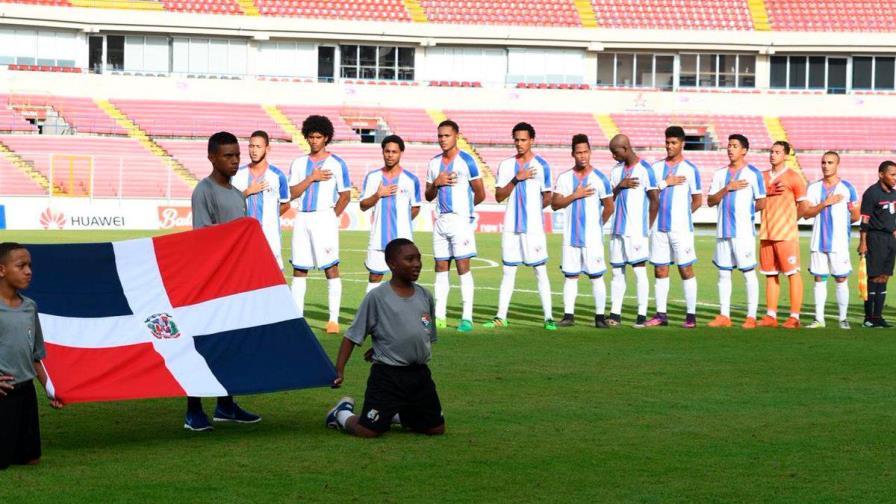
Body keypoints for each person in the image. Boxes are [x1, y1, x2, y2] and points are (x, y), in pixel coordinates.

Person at [325, 238, 444, 438]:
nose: (416, 264)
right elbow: (352, 336)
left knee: (436, 429)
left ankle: (395, 413)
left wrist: (387, 344)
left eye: (418, 259)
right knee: (368, 431)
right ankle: (341, 414)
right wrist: (339, 370)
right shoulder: (377, 297)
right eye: (409, 259)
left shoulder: (425, 296)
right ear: (392, 264)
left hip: (419, 375)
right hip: (388, 376)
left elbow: (420, 332)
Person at [187, 131, 261, 431]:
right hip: (209, 282)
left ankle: (226, 404)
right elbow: (204, 238)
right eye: (228, 156)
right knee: (203, 346)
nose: (234, 161)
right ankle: (193, 410)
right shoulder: (203, 191)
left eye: (237, 156)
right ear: (212, 157)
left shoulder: (235, 193)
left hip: (234, 282)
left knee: (231, 345)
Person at [484, 122, 555, 330]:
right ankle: (500, 316)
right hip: (510, 228)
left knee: (540, 271)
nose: (519, 143)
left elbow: (548, 196)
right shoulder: (506, 165)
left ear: (532, 140)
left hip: (533, 229)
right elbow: (499, 197)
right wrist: (517, 178)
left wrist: (532, 213)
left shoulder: (542, 165)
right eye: (516, 139)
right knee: (508, 271)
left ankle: (549, 317)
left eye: (523, 140)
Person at [0, 242, 63, 470]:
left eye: (30, 265)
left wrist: (50, 389)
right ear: (1, 270)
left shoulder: (30, 307)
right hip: (3, 391)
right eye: (21, 265)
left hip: (26, 391)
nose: (29, 271)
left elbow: (35, 355)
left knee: (30, 458)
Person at [287, 116, 352, 334]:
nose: (314, 141)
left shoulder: (337, 163)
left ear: (326, 138)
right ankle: (297, 318)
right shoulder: (298, 163)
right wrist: (311, 178)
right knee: (299, 268)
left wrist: (331, 217)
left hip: (324, 217)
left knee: (331, 267)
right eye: (311, 137)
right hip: (302, 217)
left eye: (318, 137)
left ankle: (333, 320)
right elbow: (291, 193)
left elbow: (345, 195)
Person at [425, 120, 485, 332]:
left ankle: (466, 318)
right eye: (440, 136)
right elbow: (428, 195)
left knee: (462, 267)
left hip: (460, 222)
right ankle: (439, 316)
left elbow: (480, 193)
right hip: (440, 221)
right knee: (440, 267)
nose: (442, 139)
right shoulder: (433, 163)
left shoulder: (467, 161)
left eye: (446, 135)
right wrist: (436, 183)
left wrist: (465, 213)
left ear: (456, 136)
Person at [551, 134, 614, 328]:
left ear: (590, 152)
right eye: (579, 152)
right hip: (570, 237)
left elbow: (609, 207)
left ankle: (599, 317)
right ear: (573, 154)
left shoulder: (600, 178)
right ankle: (568, 315)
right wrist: (574, 195)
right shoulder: (564, 178)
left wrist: (597, 226)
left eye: (586, 152)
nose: (583, 156)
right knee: (570, 276)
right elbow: (554, 204)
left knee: (596, 276)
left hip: (592, 239)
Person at [707, 134, 767, 328]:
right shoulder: (719, 174)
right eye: (728, 145)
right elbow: (710, 201)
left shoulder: (753, 174)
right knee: (724, 274)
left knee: (748, 272)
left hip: (743, 233)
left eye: (734, 146)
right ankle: (724, 315)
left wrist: (744, 212)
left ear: (744, 150)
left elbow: (762, 201)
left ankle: (751, 316)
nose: (730, 149)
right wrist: (727, 188)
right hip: (723, 231)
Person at [646, 126, 702, 328]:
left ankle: (691, 316)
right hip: (659, 229)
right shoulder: (655, 169)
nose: (669, 146)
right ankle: (661, 315)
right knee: (660, 270)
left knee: (685, 269)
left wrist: (682, 218)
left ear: (682, 144)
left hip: (681, 230)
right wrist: (665, 183)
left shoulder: (690, 170)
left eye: (674, 143)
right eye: (667, 142)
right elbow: (650, 195)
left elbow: (697, 200)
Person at [802, 152, 859, 329]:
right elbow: (806, 213)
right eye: (823, 162)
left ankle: (843, 319)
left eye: (830, 162)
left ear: (837, 165)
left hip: (838, 243)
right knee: (819, 279)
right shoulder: (813, 188)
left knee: (841, 279)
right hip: (818, 241)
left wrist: (842, 224)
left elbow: (855, 215)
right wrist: (825, 203)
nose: (826, 165)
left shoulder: (848, 188)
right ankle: (819, 319)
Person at [607, 134, 659, 328]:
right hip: (617, 229)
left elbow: (654, 200)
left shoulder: (645, 170)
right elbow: (608, 197)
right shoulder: (616, 170)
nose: (613, 156)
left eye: (615, 152)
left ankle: (641, 315)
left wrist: (647, 227)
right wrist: (619, 186)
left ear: (626, 148)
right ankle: (615, 314)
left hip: (636, 231)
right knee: (617, 272)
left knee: (638, 271)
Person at [757, 141, 809, 329]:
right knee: (770, 274)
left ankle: (794, 317)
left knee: (792, 273)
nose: (773, 155)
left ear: (786, 155)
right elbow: (755, 201)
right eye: (771, 151)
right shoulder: (761, 177)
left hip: (786, 234)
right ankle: (771, 315)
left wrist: (789, 221)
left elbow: (804, 207)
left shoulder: (794, 178)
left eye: (777, 152)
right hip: (766, 232)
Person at [361, 135, 422, 293]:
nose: (390, 155)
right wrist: (377, 195)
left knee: (404, 279)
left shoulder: (410, 179)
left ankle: (402, 315)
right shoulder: (372, 177)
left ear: (401, 153)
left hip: (402, 241)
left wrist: (402, 223)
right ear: (382, 152)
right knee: (374, 277)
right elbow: (363, 205)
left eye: (394, 152)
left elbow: (415, 207)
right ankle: (371, 314)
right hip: (378, 238)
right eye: (387, 151)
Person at [231, 130, 290, 268]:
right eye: (251, 146)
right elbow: (230, 203)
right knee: (244, 275)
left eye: (258, 147)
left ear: (267, 148)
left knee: (273, 277)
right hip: (244, 235)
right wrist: (247, 192)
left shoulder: (277, 176)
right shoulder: (237, 174)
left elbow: (286, 204)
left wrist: (269, 219)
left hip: (270, 236)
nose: (254, 150)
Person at [858, 160, 896, 328]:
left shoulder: (894, 194)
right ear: (881, 174)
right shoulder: (871, 193)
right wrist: (863, 242)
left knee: (884, 277)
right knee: (873, 277)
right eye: (892, 174)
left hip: (890, 240)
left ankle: (878, 316)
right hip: (875, 238)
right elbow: (864, 220)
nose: (895, 178)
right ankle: (868, 317)